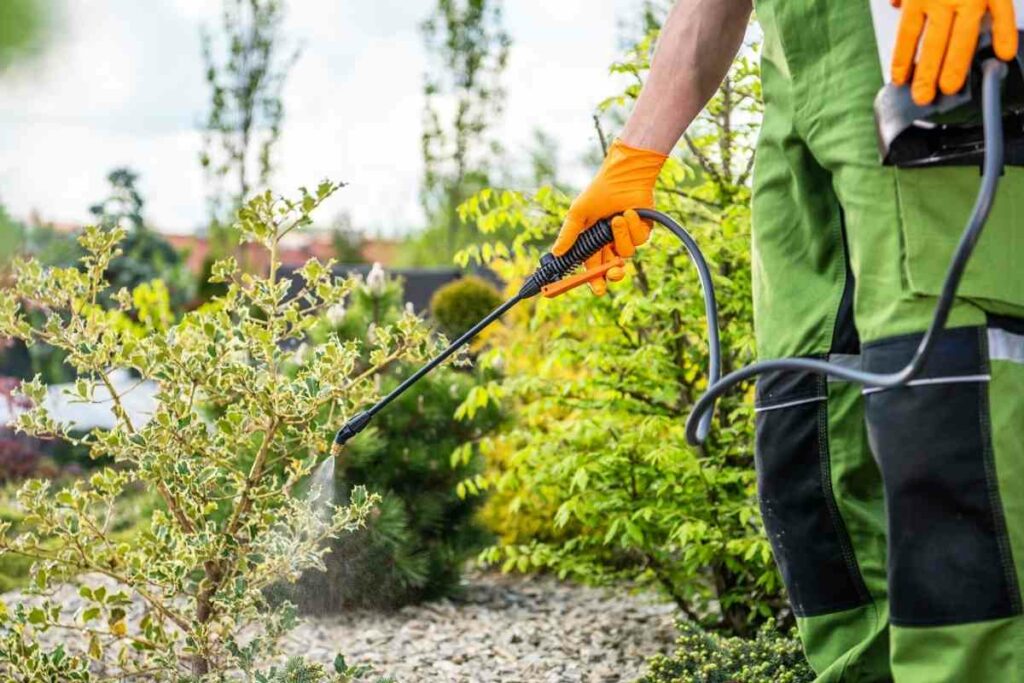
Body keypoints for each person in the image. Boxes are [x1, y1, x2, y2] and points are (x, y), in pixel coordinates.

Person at [554, 1, 1024, 680]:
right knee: (807, 433)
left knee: (947, 414)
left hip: (919, 41)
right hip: (795, 68)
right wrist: (636, 152)